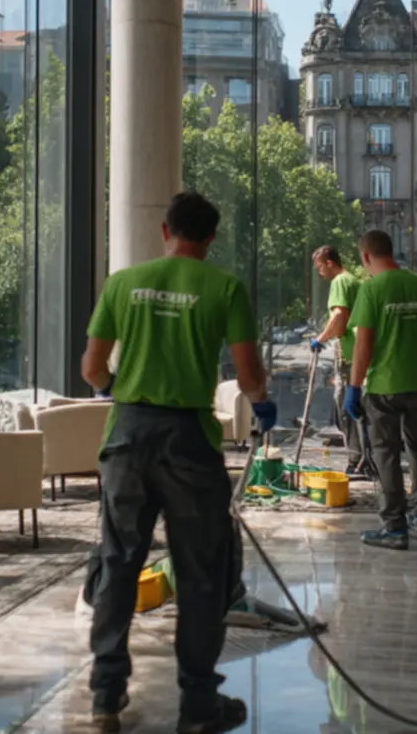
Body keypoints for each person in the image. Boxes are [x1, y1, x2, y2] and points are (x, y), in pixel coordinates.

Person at [81, 191, 277, 734]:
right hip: (188, 441)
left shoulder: (122, 283)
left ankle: (104, 699)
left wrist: (121, 389)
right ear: (210, 239)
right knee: (200, 573)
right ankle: (197, 707)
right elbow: (249, 374)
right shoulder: (225, 287)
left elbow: (92, 369)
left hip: (127, 435)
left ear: (164, 231)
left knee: (119, 564)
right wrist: (261, 402)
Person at [343, 229, 417, 550]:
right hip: (416, 382)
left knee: (385, 452)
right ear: (391, 251)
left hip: (383, 386)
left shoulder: (371, 290)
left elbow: (363, 345)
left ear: (365, 257)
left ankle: (394, 526)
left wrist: (353, 386)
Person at [309, 245, 369, 478]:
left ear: (329, 263)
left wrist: (319, 339)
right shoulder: (353, 281)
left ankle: (358, 461)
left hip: (350, 355)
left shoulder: (340, 282)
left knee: (347, 408)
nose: (319, 273)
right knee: (352, 408)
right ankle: (361, 459)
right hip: (357, 352)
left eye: (320, 267)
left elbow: (339, 316)